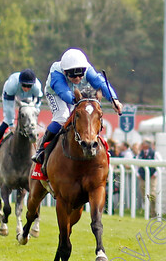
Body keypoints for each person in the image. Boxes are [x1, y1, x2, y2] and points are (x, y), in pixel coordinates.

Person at [32, 48, 123, 180]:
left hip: (79, 95)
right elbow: (63, 92)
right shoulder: (57, 74)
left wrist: (114, 100)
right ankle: (41, 149)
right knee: (62, 117)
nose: (78, 78)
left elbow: (101, 83)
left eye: (80, 75)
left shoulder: (87, 70)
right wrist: (78, 101)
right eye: (73, 76)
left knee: (90, 114)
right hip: (57, 94)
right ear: (65, 72)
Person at [0, 69, 43, 158]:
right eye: (24, 85)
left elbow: (37, 105)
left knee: (32, 115)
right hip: (12, 95)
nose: (27, 88)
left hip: (29, 98)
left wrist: (35, 112)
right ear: (20, 83)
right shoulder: (11, 85)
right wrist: (11, 124)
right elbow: (8, 108)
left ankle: (38, 148)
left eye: (29, 86)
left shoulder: (37, 87)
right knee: (8, 119)